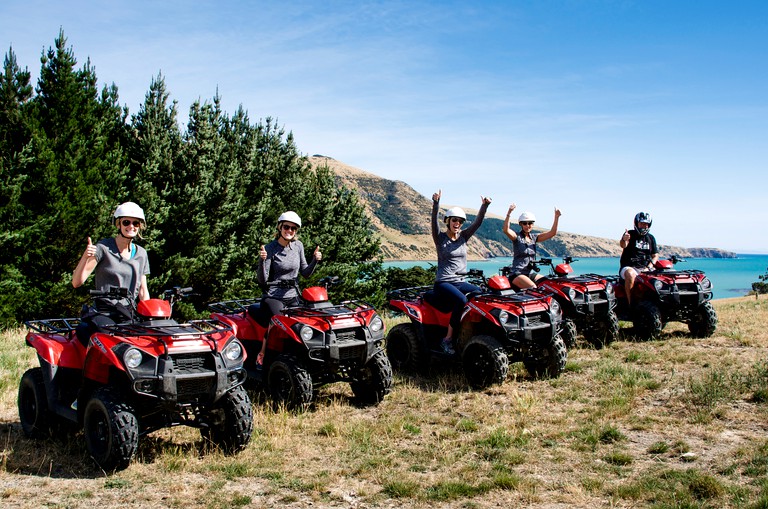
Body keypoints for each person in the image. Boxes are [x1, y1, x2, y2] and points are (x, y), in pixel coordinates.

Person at [72, 201, 151, 346]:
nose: (131, 226)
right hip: (104, 311)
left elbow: (143, 291)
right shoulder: (103, 248)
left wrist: (150, 317)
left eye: (136, 223)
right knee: (110, 338)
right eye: (126, 222)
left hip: (128, 312)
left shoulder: (141, 254)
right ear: (118, 224)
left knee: (146, 338)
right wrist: (85, 256)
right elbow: (77, 282)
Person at [254, 211, 322, 365]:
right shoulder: (270, 248)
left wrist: (315, 261)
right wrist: (262, 261)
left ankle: (304, 357)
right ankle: (262, 355)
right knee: (280, 322)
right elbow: (263, 280)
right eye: (286, 227)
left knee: (305, 322)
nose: (289, 230)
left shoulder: (298, 246)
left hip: (293, 296)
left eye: (293, 228)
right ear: (280, 227)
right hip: (272, 297)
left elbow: (305, 273)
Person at [431, 189, 491, 354]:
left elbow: (477, 223)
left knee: (481, 293)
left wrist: (484, 206)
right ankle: (447, 339)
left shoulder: (464, 236)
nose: (457, 223)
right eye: (454, 220)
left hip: (460, 282)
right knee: (461, 300)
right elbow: (433, 222)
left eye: (460, 221)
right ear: (448, 221)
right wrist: (436, 204)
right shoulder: (440, 238)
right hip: (443, 282)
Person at [502, 204, 562, 289]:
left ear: (533, 224)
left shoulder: (534, 238)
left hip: (529, 273)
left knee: (548, 284)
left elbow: (552, 233)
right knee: (533, 288)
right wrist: (509, 213)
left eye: (530, 223)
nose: (527, 225)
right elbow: (506, 230)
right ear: (521, 224)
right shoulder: (517, 237)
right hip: (517, 273)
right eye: (525, 223)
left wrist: (556, 217)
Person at [619, 212, 659, 305]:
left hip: (646, 268)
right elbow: (623, 245)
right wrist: (624, 239)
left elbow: (655, 255)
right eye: (641, 223)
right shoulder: (629, 234)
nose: (643, 226)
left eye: (646, 224)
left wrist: (649, 267)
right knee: (630, 274)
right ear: (636, 223)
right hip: (629, 267)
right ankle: (630, 304)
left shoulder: (651, 238)